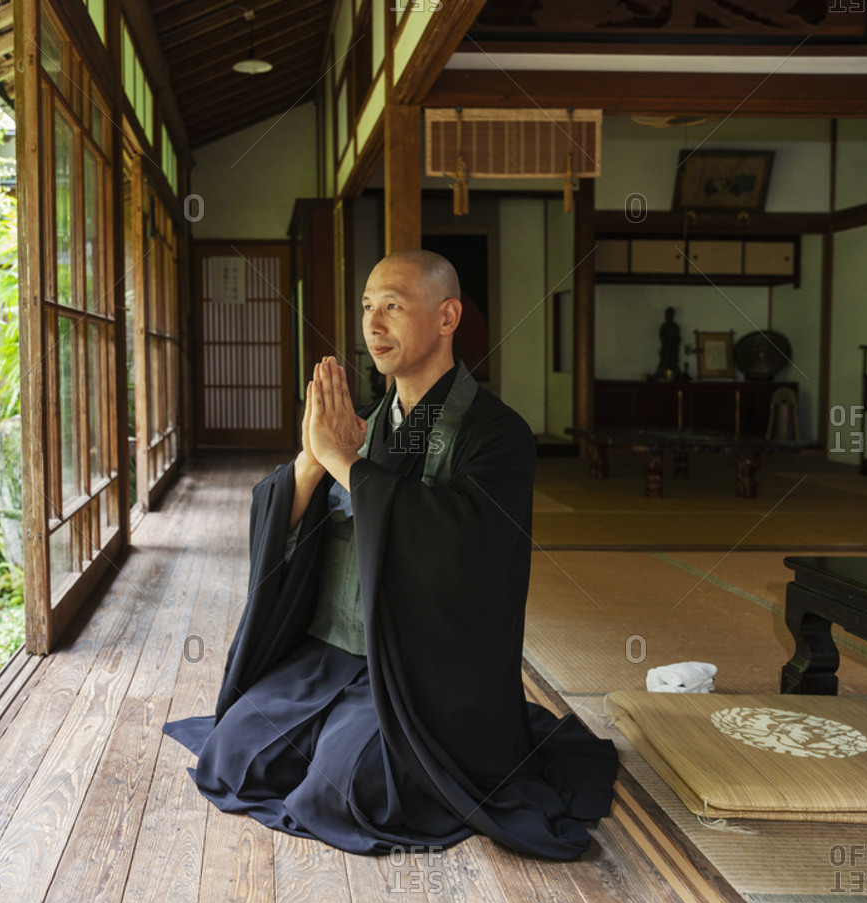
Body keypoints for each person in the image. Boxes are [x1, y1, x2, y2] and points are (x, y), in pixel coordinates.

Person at [163, 249, 617, 859]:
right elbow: (291, 522)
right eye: (367, 308)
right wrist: (311, 458)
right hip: (336, 650)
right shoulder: (370, 422)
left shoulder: (497, 434)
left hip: (427, 671)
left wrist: (346, 464)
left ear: (447, 316)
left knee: (349, 788)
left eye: (394, 308)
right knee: (235, 751)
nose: (374, 325)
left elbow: (459, 545)